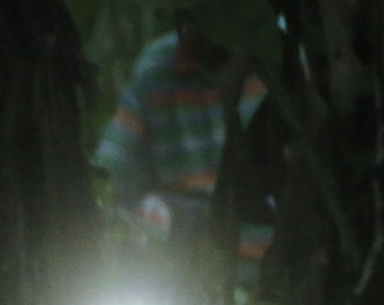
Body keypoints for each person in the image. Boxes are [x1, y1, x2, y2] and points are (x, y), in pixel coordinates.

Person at [91, 14, 270, 263]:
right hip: (177, 256)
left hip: (263, 260)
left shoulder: (282, 63)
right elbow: (112, 166)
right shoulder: (157, 64)